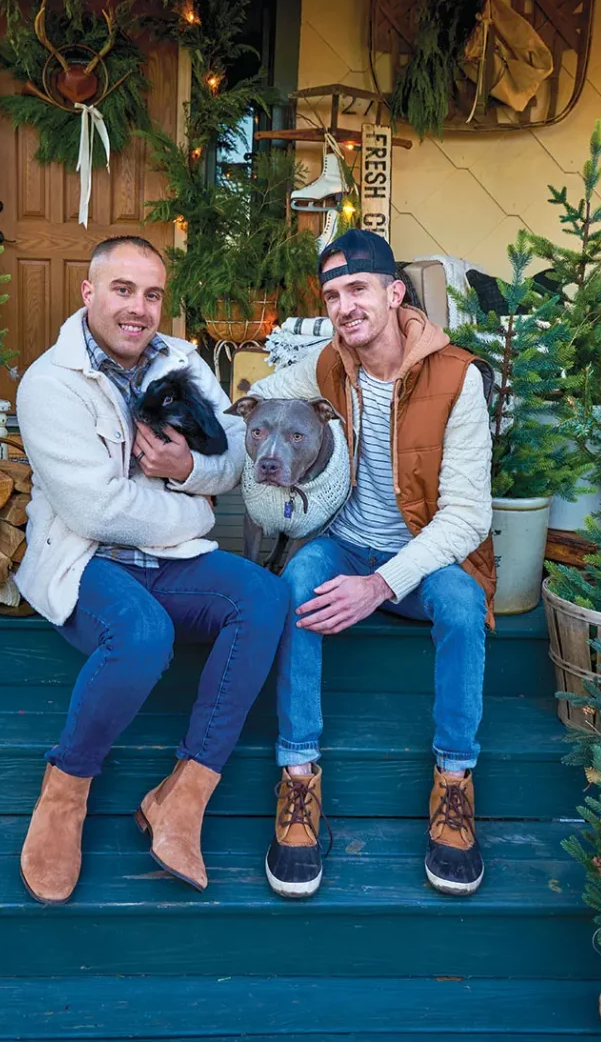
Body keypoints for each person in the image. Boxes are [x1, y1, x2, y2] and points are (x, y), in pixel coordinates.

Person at [14, 235, 289, 904]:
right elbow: (95, 511)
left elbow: (231, 462)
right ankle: (65, 793)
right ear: (89, 294)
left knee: (264, 597)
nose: (138, 308)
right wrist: (196, 513)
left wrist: (185, 468)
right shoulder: (51, 383)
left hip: (172, 564)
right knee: (142, 636)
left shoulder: (184, 362)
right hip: (89, 564)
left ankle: (183, 796)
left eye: (152, 294)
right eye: (122, 290)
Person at [250, 229, 494, 900]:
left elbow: (469, 516)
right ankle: (298, 781)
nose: (345, 306)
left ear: (393, 293)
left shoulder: (457, 378)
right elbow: (254, 402)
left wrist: (382, 584)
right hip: (346, 543)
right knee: (297, 582)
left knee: (463, 605)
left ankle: (454, 783)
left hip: (420, 558)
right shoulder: (329, 366)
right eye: (332, 295)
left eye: (357, 289)